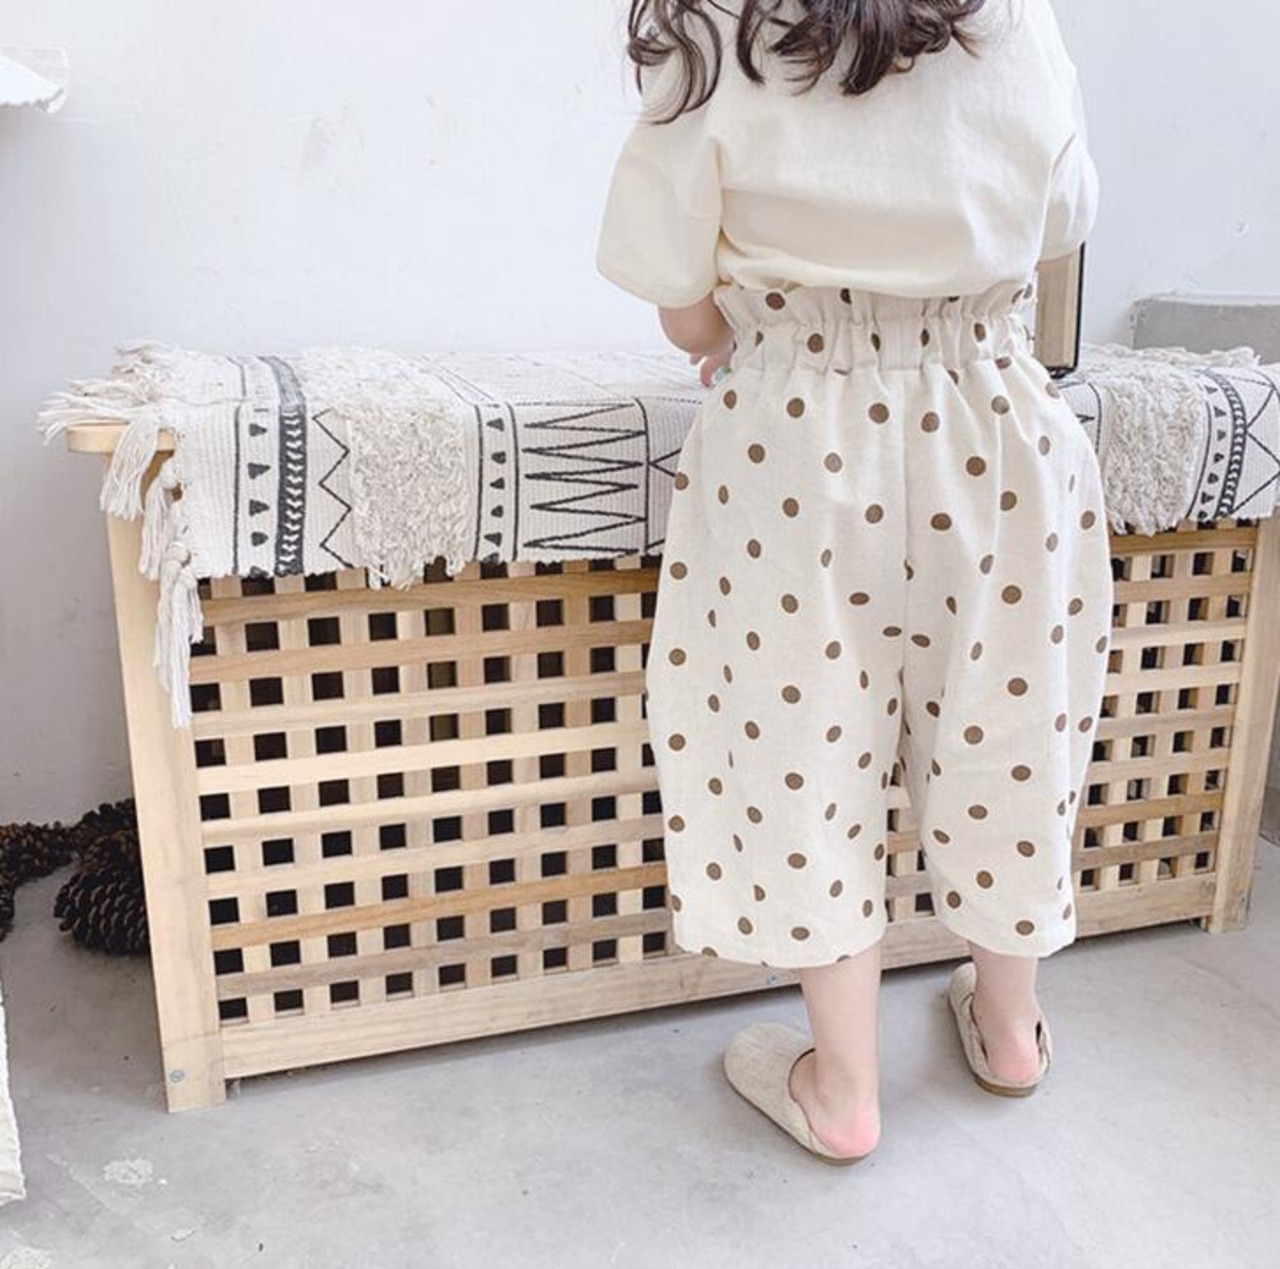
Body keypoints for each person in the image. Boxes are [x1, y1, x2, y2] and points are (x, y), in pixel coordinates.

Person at [596, 0, 1112, 1164]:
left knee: (803, 744)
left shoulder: (714, 26)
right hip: (997, 423)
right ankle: (1010, 1027)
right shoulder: (1011, 15)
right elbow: (1058, 220)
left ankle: (841, 1088)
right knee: (1010, 727)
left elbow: (679, 296)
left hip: (795, 434)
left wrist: (747, 333)